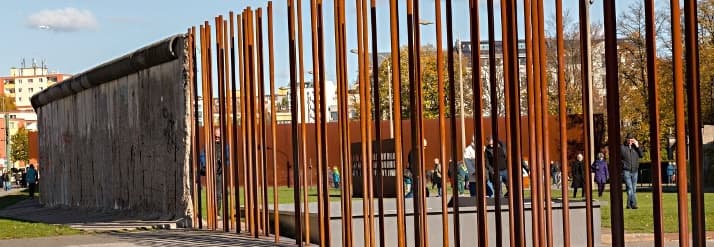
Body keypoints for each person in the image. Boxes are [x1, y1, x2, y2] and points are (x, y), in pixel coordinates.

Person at [621, 133, 643, 209]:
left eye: (632, 140)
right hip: (626, 170)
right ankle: (634, 204)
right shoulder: (622, 147)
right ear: (626, 140)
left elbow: (641, 155)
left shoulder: (636, 148)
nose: (630, 141)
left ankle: (629, 205)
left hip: (635, 171)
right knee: (630, 188)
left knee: (633, 189)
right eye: (629, 139)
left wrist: (637, 146)